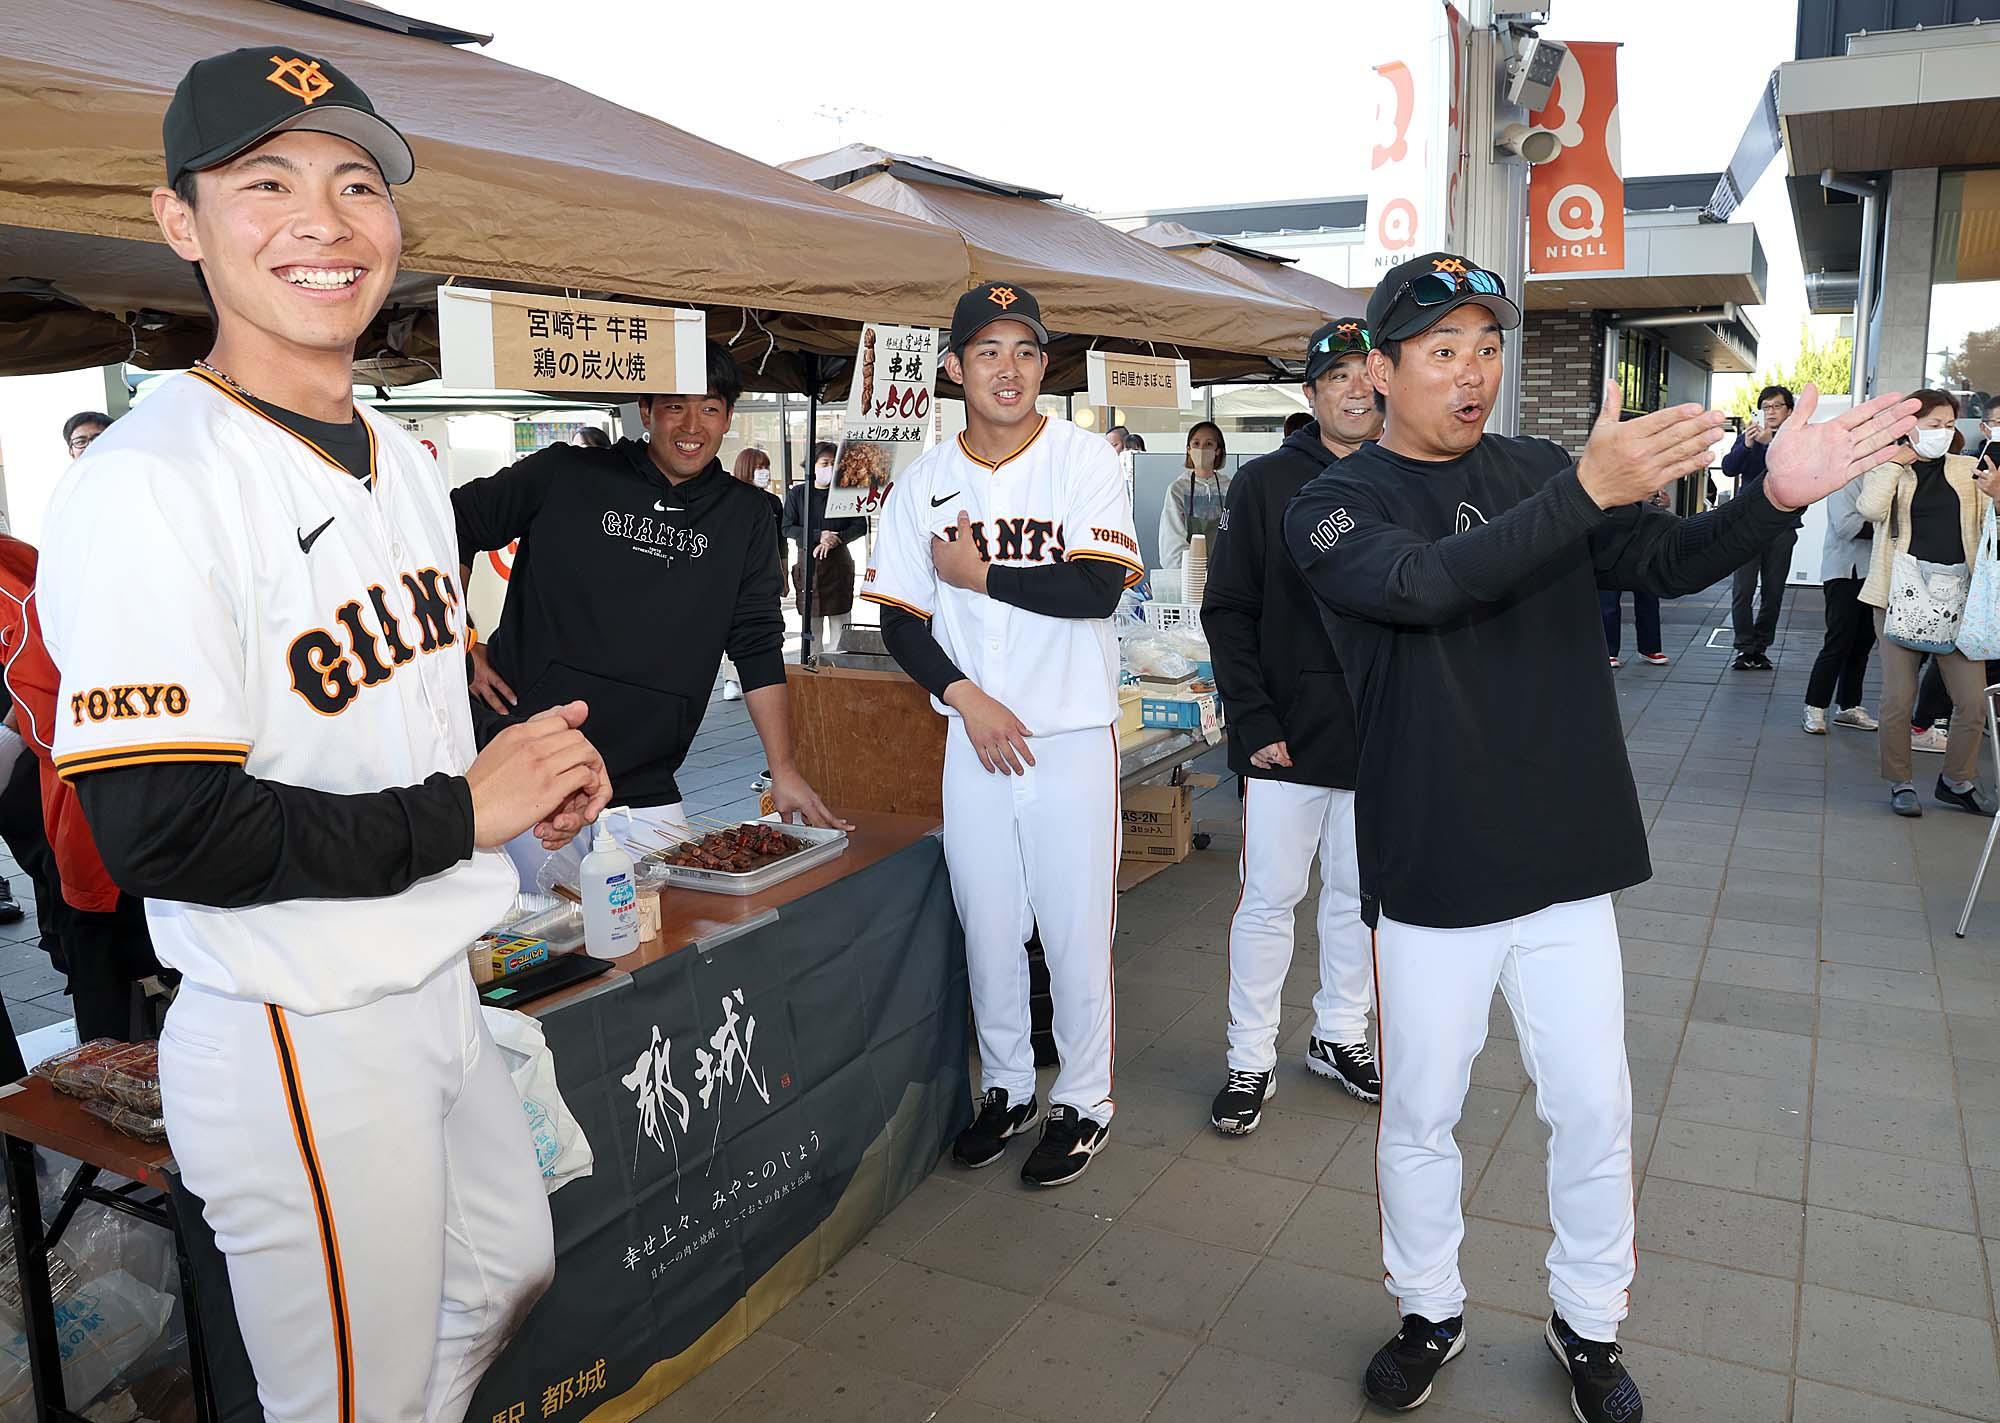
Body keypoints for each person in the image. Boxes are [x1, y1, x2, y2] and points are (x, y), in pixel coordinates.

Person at [41, 47, 618, 1419]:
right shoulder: (151, 478)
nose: (324, 219)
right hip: (300, 1014)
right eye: (266, 182)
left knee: (506, 1272)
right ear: (181, 222)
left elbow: (381, 731)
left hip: (432, 977)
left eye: (358, 184)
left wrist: (516, 776)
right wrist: (463, 810)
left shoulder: (404, 463)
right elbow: (161, 830)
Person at [1284, 250, 1917, 1423]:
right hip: (1433, 865)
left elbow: (1659, 561)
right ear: (1377, 369)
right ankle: (1427, 1309)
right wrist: (1579, 491)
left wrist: (1771, 500)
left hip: (1564, 854)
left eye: (1486, 348)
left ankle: (1586, 1322)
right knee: (1420, 1113)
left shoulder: (1535, 468)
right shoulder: (1331, 504)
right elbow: (1423, 584)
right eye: (1440, 350)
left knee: (1591, 1106)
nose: (1471, 373)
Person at [865, 281, 1140, 1188]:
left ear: (1043, 364)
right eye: (988, 350)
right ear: (955, 367)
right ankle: (1010, 1088)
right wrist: (965, 699)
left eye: (1025, 350)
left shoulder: (1083, 458)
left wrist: (979, 577)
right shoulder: (922, 481)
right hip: (973, 736)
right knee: (987, 925)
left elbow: (1096, 587)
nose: (1009, 368)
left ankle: (1084, 1100)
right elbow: (901, 619)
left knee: (1073, 929)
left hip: (1068, 734)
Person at [455, 347, 846, 869]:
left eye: (710, 408)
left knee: (666, 916)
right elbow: (452, 526)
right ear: (646, 410)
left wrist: (784, 767)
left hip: (647, 780)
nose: (692, 426)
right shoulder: (566, 471)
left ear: (729, 417)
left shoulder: (747, 513)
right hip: (529, 763)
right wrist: (460, 638)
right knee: (532, 922)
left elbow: (756, 642)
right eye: (675, 406)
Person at [1201, 317, 1383, 1136]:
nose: (1354, 389)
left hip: (1380, 734)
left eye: (1365, 373)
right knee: (1269, 901)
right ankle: (1250, 1057)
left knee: (1357, 897)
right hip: (1284, 738)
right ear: (1311, 394)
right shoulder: (1266, 483)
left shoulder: (1406, 472)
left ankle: (1340, 1034)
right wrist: (1252, 716)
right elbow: (1228, 608)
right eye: (1336, 376)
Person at [1855, 389, 1998, 816]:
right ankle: (1900, 781)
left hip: (1958, 598)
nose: (1943, 432)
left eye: (1949, 425)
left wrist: (1998, 495)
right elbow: (1869, 509)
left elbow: (1989, 528)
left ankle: (1956, 780)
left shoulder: (1967, 469)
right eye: (1933, 424)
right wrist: (1896, 461)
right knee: (1899, 698)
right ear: (1910, 426)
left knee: (1973, 702)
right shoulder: (1888, 467)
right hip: (1897, 596)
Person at [1721, 385, 1800, 669]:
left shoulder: (1796, 440)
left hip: (1782, 525)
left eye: (1777, 406)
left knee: (1773, 590)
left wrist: (1771, 444)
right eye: (1766, 407)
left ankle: (1761, 647)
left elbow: (1793, 471)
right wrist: (1748, 445)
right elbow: (1729, 468)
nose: (1771, 412)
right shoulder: (1750, 437)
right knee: (1742, 589)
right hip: (1746, 525)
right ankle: (1744, 647)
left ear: (1789, 411)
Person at [1802, 456, 1881, 734]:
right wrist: (1892, 525)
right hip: (1844, 571)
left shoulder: (1886, 475)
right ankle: (1815, 706)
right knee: (1838, 641)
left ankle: (1848, 706)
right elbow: (1847, 526)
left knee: (1862, 644)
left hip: (1875, 572)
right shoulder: (1846, 476)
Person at [783, 442, 867, 655]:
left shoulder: (846, 492)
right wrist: (819, 535)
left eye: (834, 463)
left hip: (838, 564)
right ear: (812, 465)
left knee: (841, 625)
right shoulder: (798, 494)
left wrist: (835, 539)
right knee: (812, 628)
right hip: (809, 565)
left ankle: (839, 668)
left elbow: (860, 526)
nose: (830, 468)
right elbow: (787, 527)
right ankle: (813, 668)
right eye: (824, 463)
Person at [722, 447, 787, 701]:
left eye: (766, 467)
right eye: (759, 467)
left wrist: (783, 571)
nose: (764, 472)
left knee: (763, 630)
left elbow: (781, 540)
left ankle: (763, 682)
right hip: (735, 574)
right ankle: (731, 678)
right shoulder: (730, 499)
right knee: (734, 626)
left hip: (766, 573)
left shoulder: (773, 502)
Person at [1600, 489, 1672, 667]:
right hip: (1611, 538)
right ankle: (1608, 651)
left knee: (1648, 597)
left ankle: (1650, 647)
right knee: (1608, 602)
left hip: (1643, 541)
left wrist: (1662, 503)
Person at [1158, 421, 1231, 571]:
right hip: (1187, 573)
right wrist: (1192, 570)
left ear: (1218, 450)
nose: (1202, 449)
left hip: (1224, 571)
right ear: (1189, 449)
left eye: (1209, 444)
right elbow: (1172, 541)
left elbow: (1238, 534)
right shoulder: (1178, 490)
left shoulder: (1230, 488)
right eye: (1196, 444)